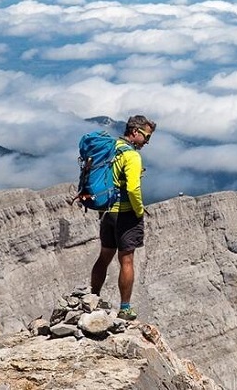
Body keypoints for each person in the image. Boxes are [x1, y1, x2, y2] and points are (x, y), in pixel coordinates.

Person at [90, 115, 156, 321]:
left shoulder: (111, 147)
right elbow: (134, 188)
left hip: (107, 212)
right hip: (125, 214)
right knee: (126, 261)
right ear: (135, 132)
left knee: (104, 256)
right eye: (146, 136)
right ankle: (125, 308)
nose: (147, 142)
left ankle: (92, 299)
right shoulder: (132, 156)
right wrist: (139, 211)